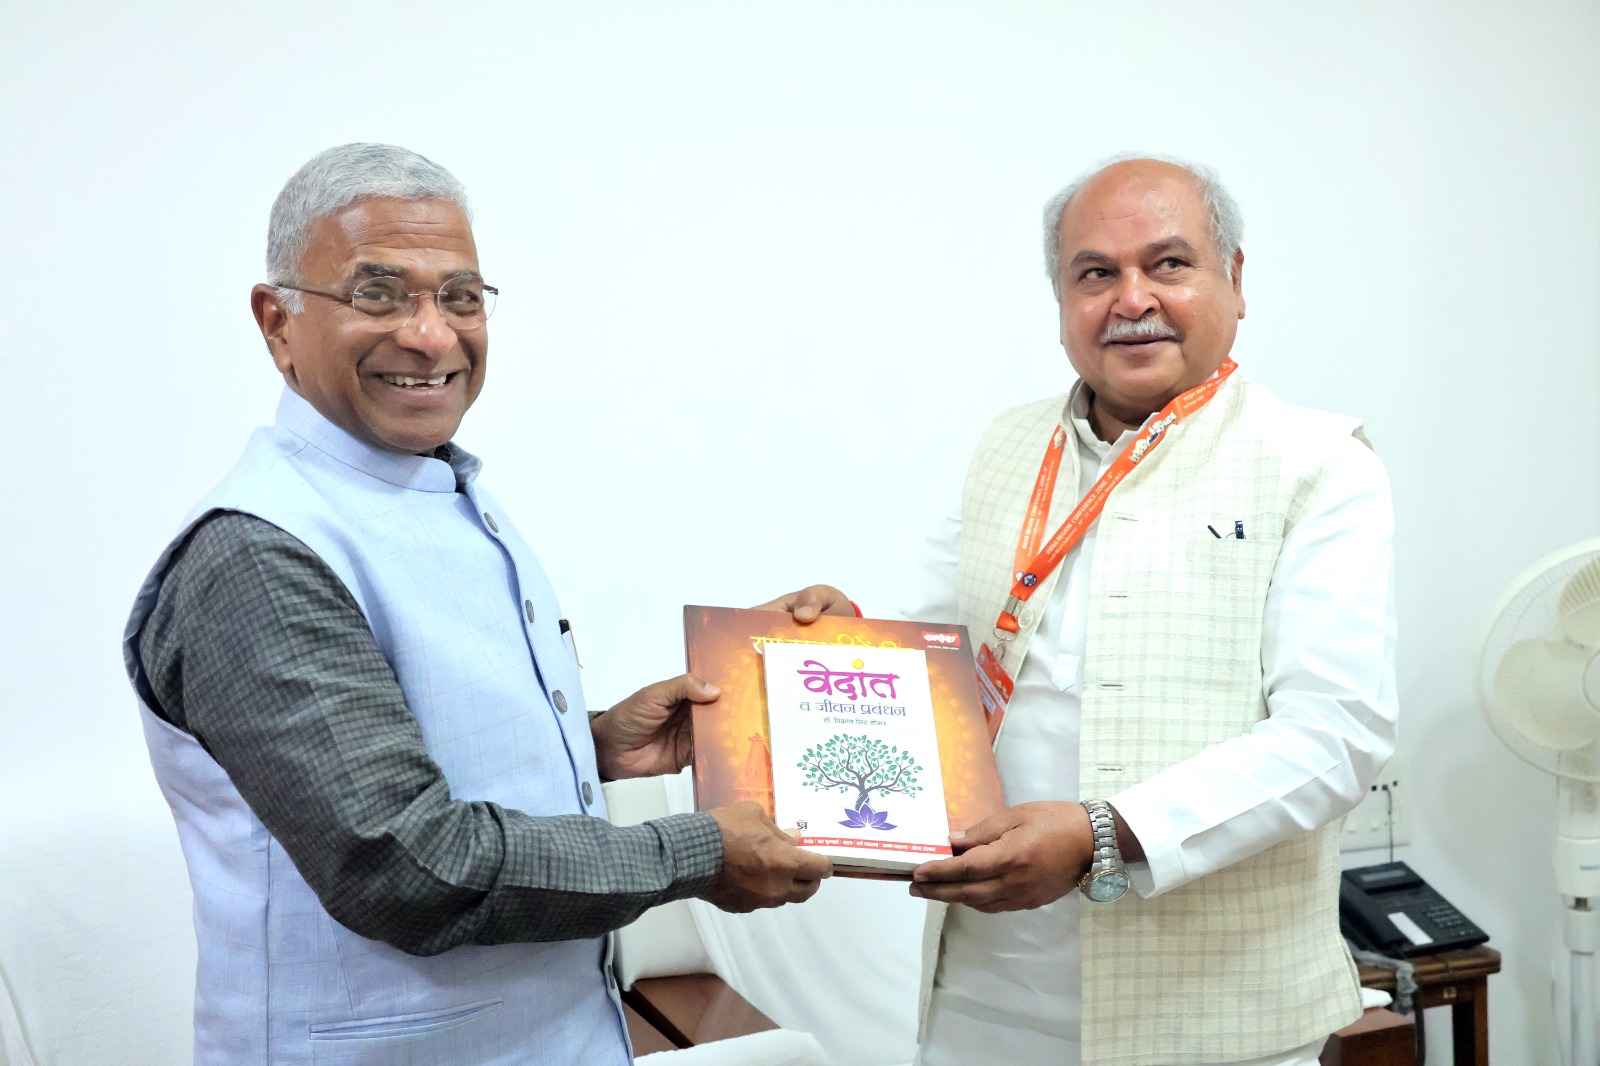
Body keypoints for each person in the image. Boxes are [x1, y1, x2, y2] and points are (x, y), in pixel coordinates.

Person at [121, 142, 834, 1066]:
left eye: (460, 296)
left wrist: (596, 745)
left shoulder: (438, 490)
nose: (431, 336)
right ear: (277, 322)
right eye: (379, 294)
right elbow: (405, 865)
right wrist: (696, 854)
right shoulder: (259, 556)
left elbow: (406, 749)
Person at [900, 156, 1398, 1066]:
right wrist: (827, 646)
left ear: (1235, 280)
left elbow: (1336, 736)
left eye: (1168, 264)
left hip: (1214, 1014)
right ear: (1062, 300)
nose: (1132, 299)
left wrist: (1101, 833)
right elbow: (931, 674)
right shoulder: (1005, 446)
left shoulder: (1318, 464)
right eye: (1095, 273)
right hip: (984, 997)